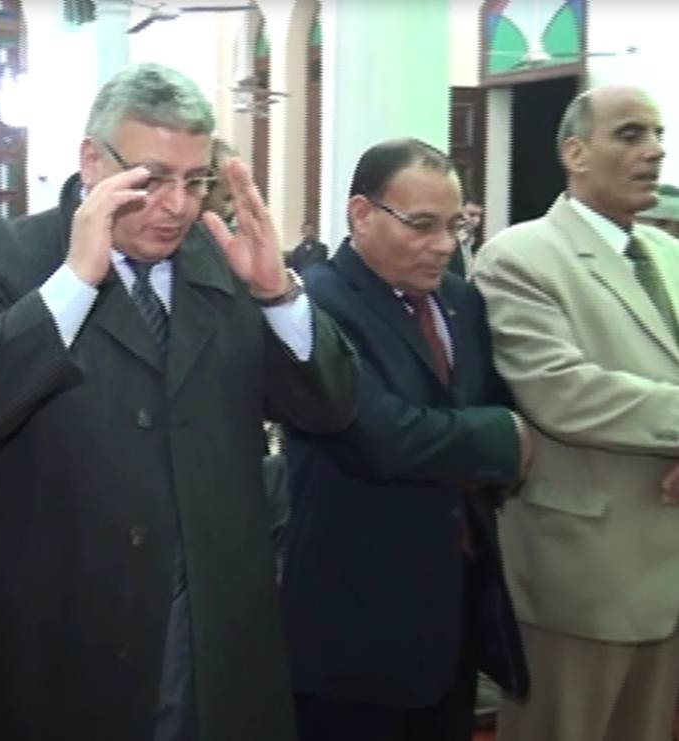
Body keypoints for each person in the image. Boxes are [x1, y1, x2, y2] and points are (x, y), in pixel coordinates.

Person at [0, 62, 359, 741]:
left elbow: (329, 408)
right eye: (152, 179)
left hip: (213, 638)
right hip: (60, 642)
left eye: (196, 180)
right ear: (92, 161)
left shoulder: (225, 260)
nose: (177, 206)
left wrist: (278, 295)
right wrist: (73, 284)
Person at [282, 138, 530, 741]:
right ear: (361, 214)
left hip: (452, 616)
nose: (444, 245)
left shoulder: (460, 300)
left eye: (455, 226)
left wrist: (492, 431)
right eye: (422, 225)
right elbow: (380, 436)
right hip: (354, 626)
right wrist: (504, 438)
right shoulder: (315, 303)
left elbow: (490, 400)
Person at [474, 84, 679, 741]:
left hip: (667, 574)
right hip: (581, 576)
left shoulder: (669, 255)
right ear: (575, 152)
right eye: (630, 134)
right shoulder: (522, 256)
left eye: (658, 134)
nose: (655, 150)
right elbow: (565, 392)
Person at [448, 197, 483, 279]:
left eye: (480, 216)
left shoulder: (478, 244)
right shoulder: (448, 241)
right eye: (472, 215)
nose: (477, 220)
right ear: (459, 215)